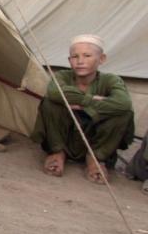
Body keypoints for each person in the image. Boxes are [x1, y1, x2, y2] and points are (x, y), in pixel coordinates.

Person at [30, 34, 135, 184]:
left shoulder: (111, 80)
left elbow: (123, 103)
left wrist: (84, 105)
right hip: (65, 137)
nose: (80, 61)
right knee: (49, 103)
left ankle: (95, 158)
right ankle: (57, 152)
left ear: (101, 59)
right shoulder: (62, 76)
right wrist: (91, 100)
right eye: (75, 56)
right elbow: (54, 93)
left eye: (87, 56)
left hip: (95, 138)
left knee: (123, 113)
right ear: (69, 60)